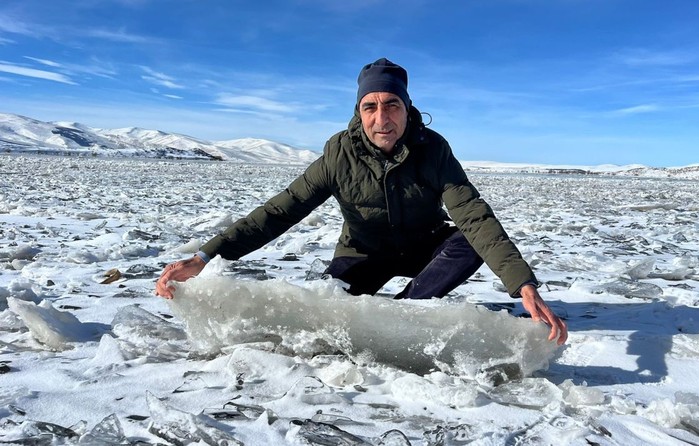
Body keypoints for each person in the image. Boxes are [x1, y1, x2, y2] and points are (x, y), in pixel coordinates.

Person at [156, 58, 567, 345]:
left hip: (423, 248)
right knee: (327, 314)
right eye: (370, 107)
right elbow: (280, 210)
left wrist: (522, 284)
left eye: (392, 105)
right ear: (359, 111)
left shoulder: (433, 150)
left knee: (465, 242)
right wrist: (207, 255)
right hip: (363, 252)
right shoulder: (339, 153)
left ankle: (405, 312)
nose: (381, 118)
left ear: (407, 109)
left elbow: (474, 214)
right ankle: (376, 309)